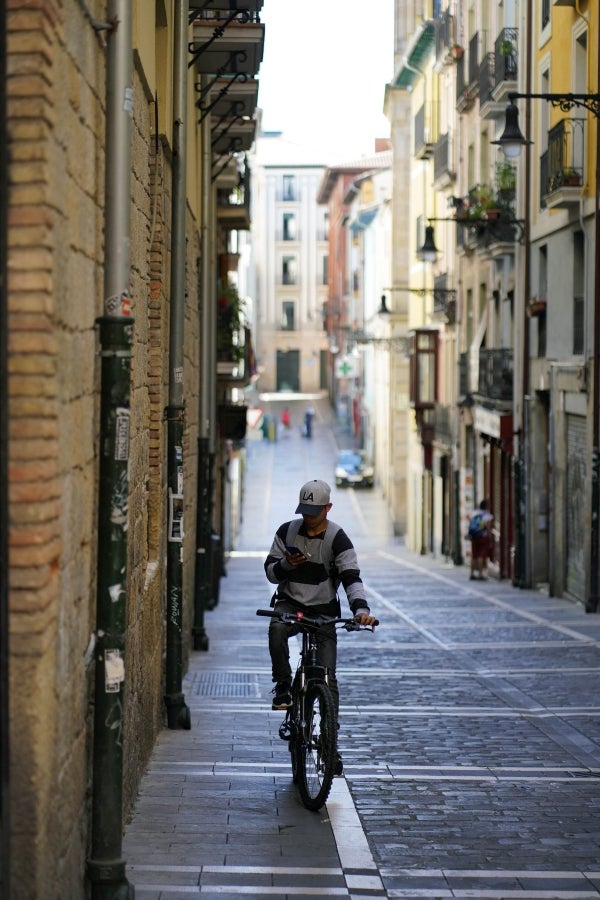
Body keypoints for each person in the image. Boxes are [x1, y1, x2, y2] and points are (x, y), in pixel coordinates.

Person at [263, 479, 377, 775]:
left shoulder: (338, 539)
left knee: (328, 678)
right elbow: (270, 573)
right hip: (290, 603)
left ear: (328, 508)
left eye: (314, 512)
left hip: (324, 611)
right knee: (277, 629)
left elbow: (351, 577)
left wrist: (361, 610)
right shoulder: (287, 532)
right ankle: (283, 686)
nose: (308, 517)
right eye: (305, 511)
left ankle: (329, 743)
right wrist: (287, 565)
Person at [468, 498, 493, 580]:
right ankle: (480, 574)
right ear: (487, 506)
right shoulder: (487, 515)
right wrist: (490, 537)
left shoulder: (474, 513)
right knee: (481, 555)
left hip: (474, 536)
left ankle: (472, 573)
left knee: (474, 555)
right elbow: (488, 528)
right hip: (482, 537)